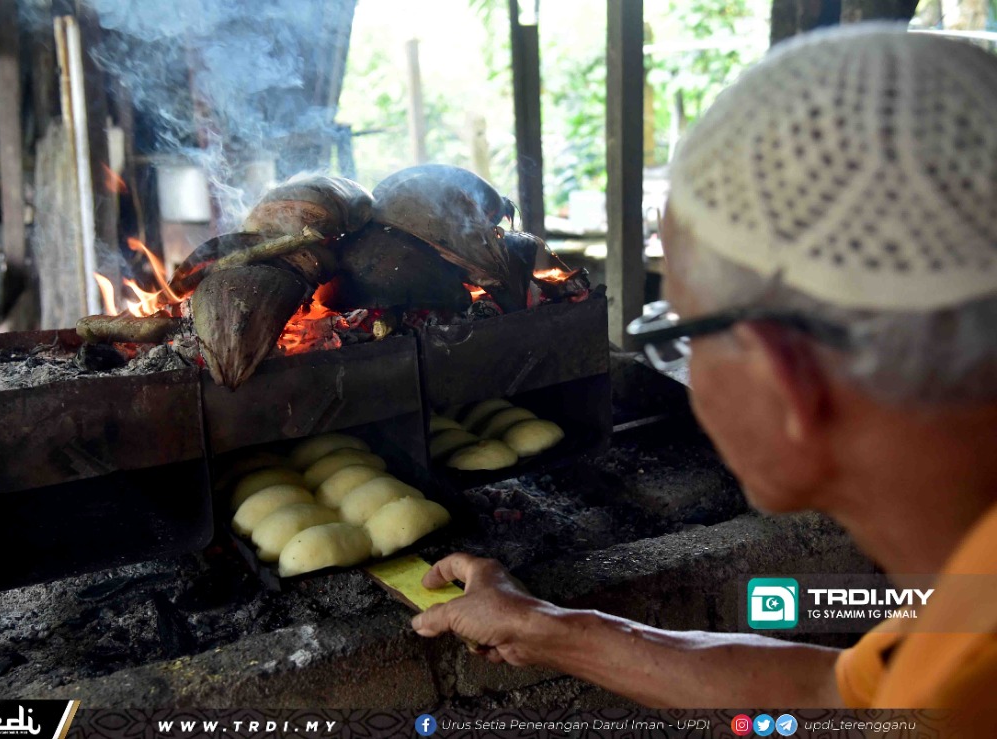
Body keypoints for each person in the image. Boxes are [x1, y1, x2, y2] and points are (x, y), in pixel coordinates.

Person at [412, 24, 997, 717]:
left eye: (678, 331)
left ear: (787, 380)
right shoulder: (964, 606)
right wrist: (546, 629)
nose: (681, 365)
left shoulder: (963, 697)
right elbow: (833, 688)